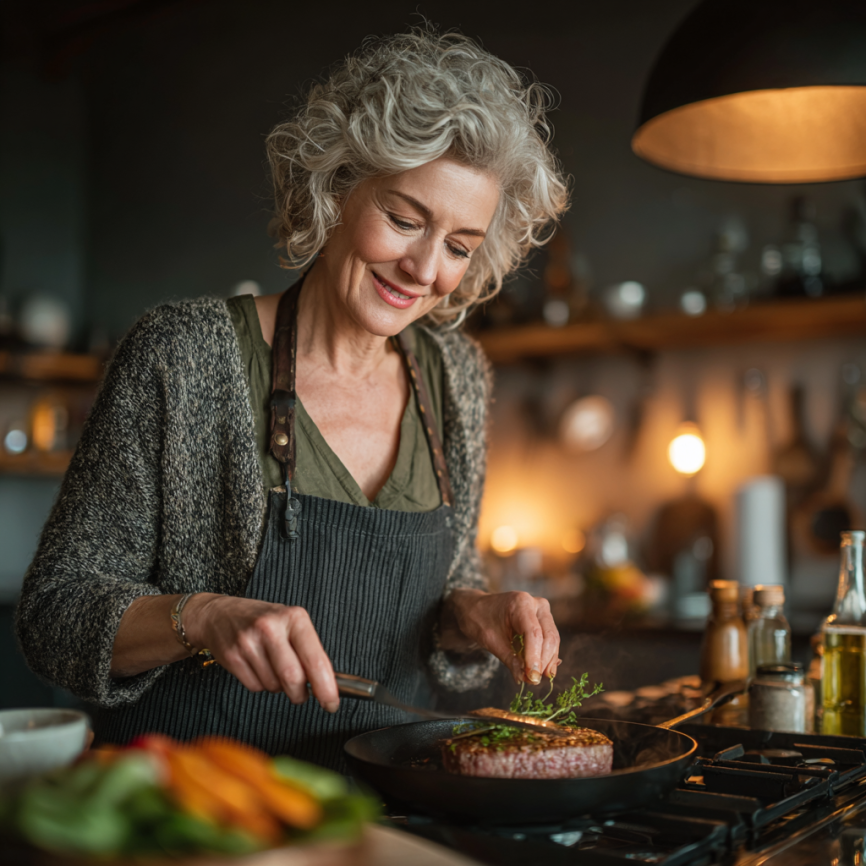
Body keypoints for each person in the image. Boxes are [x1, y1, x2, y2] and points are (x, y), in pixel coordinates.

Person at [16, 27, 569, 770]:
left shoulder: (458, 377)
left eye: (461, 245)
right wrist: (201, 616)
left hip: (383, 817)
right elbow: (54, 612)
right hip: (196, 812)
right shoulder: (184, 355)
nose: (425, 267)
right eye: (405, 219)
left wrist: (475, 612)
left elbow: (445, 589)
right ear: (337, 186)